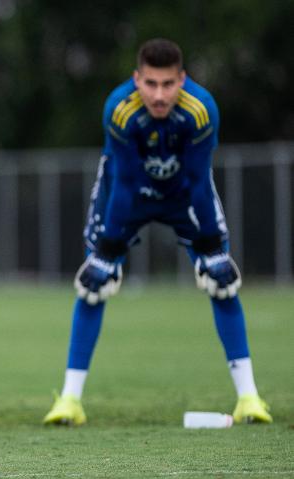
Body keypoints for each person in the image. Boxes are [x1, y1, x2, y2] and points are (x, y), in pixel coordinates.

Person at [43, 39, 272, 426]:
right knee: (94, 283)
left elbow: (199, 181)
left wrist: (212, 245)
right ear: (137, 80)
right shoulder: (119, 109)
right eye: (151, 84)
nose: (159, 94)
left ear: (182, 80)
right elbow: (127, 182)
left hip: (184, 194)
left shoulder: (202, 110)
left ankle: (249, 398)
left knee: (221, 282)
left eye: (168, 84)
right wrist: (109, 248)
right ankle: (70, 401)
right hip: (125, 194)